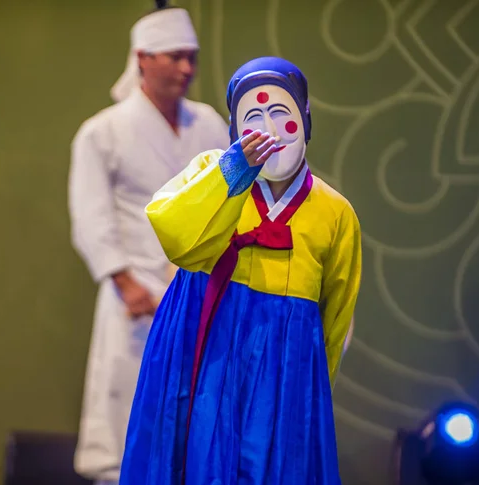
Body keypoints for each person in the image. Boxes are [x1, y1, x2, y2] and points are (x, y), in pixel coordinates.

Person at [119, 56, 362, 484]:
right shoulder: (213, 171)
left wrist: (309, 391)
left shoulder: (335, 212)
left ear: (306, 117)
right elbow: (174, 232)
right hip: (208, 343)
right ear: (234, 128)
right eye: (253, 117)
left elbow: (336, 316)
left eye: (280, 115)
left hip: (284, 362)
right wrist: (233, 171)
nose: (268, 130)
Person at [67, 6, 230, 485]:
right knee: (125, 415)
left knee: (192, 414)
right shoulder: (103, 132)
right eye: (176, 57)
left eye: (192, 58)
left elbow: (229, 201)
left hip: (195, 291)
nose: (187, 69)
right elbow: (91, 215)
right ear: (143, 58)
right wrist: (123, 282)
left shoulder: (209, 127)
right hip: (132, 294)